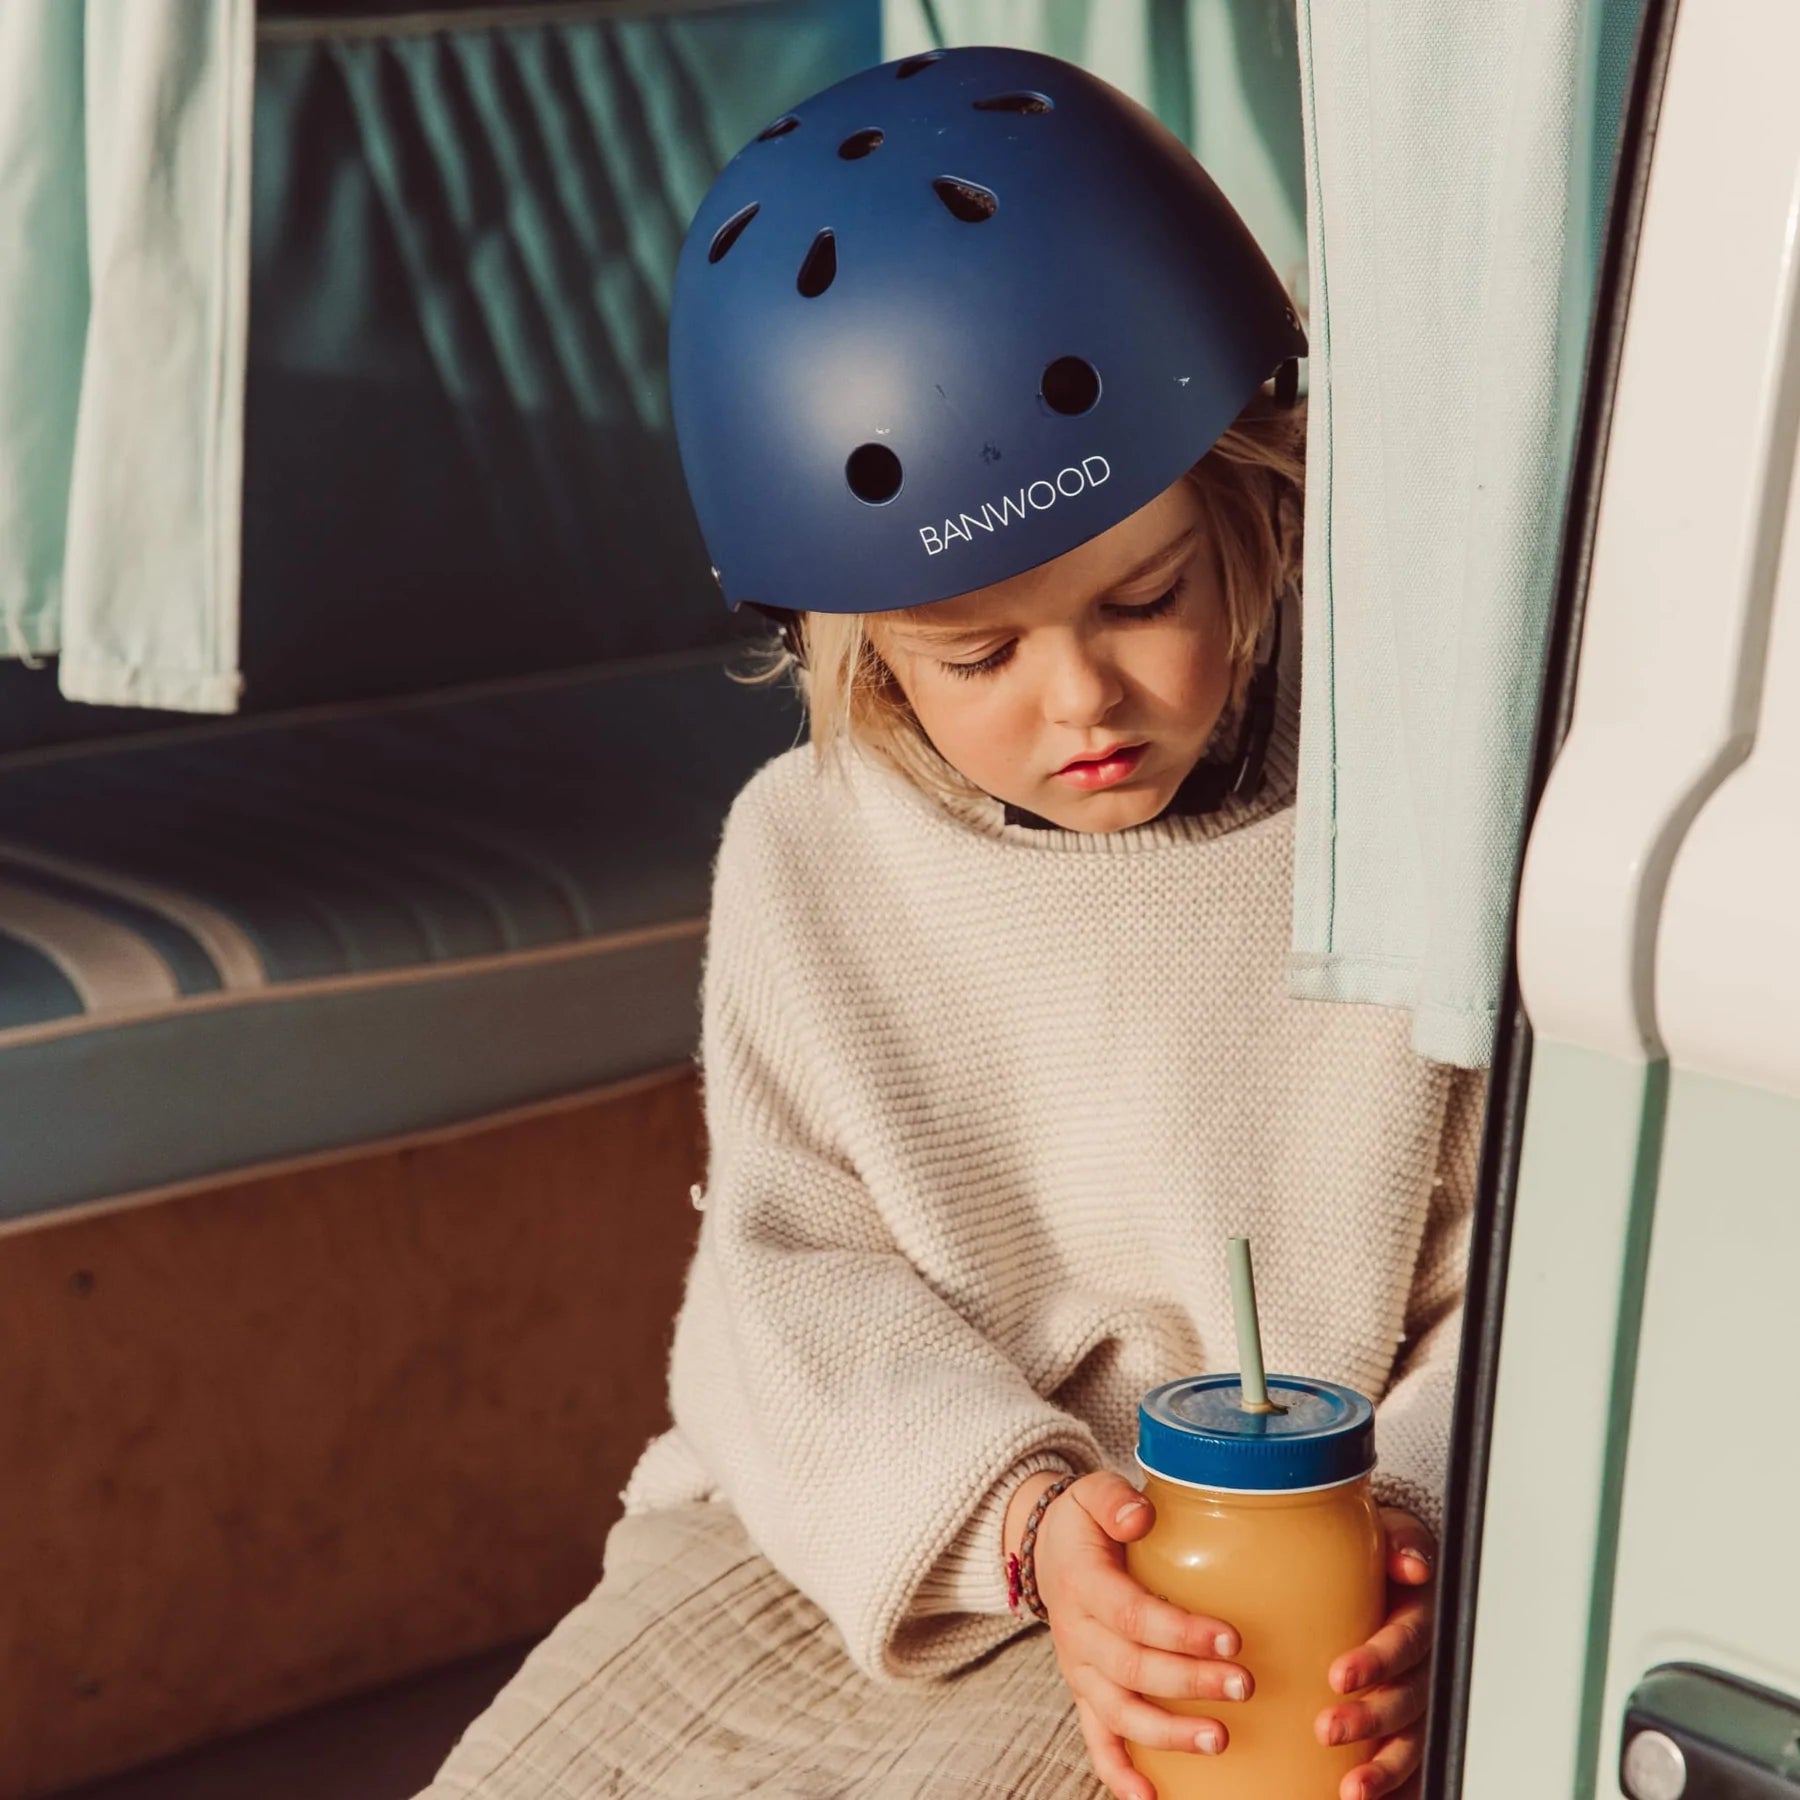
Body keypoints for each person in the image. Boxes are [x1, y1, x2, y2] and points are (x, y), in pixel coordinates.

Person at [419, 43, 1481, 1800]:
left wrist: (1422, 1522)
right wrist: (1029, 1519)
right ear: (858, 648)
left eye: (1146, 597)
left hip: (1275, 1569)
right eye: (976, 654)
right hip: (882, 1521)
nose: (1084, 701)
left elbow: (1509, 1268)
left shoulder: (1413, 823)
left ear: (1254, 517)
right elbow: (789, 1274)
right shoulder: (809, 854)